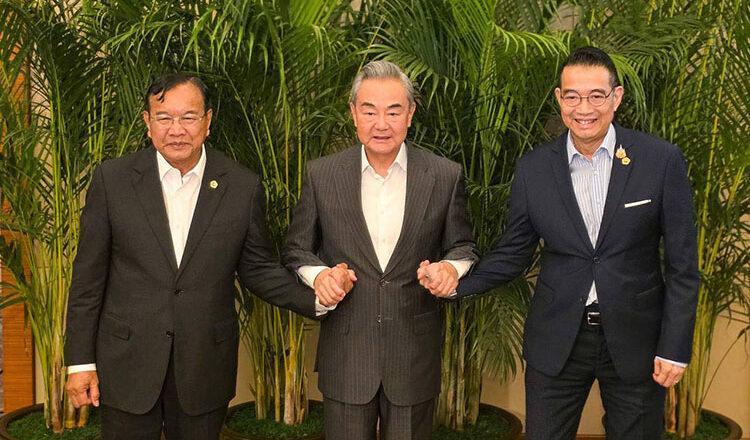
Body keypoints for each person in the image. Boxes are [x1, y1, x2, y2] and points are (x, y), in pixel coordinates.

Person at [423, 47, 699, 439]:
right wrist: (455, 281)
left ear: (616, 97)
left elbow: (683, 266)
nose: (583, 108)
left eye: (596, 96)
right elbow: (513, 252)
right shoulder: (534, 169)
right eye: (572, 96)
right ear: (559, 98)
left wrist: (674, 347)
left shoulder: (661, 160)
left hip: (637, 341)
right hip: (557, 340)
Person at [64, 73, 353, 440]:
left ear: (208, 121)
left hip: (203, 367)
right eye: (164, 117)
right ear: (147, 122)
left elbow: (258, 269)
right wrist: (80, 362)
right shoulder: (112, 181)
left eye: (188, 117)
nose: (176, 129)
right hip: (127, 363)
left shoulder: (241, 186)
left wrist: (319, 296)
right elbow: (87, 280)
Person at [283, 60, 477, 440]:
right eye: (370, 111)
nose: (381, 123)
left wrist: (450, 269)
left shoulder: (443, 175)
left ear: (411, 114)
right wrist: (320, 276)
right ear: (353, 113)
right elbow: (296, 248)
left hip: (413, 357)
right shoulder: (322, 174)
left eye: (393, 111)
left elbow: (463, 244)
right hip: (347, 355)